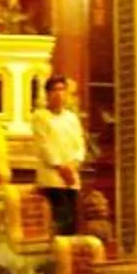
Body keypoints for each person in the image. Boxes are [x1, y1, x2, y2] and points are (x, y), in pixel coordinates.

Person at [29, 77, 88, 237]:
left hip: (71, 178)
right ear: (47, 94)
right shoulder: (40, 117)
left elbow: (79, 144)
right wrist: (61, 167)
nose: (59, 94)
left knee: (73, 222)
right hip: (52, 178)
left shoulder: (71, 118)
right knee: (59, 221)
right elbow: (44, 146)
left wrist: (74, 164)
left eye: (62, 90)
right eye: (54, 90)